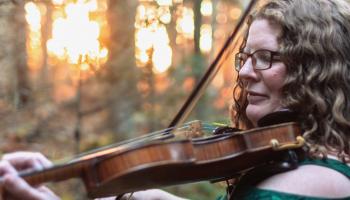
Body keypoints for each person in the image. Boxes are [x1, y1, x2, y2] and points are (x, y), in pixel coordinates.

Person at [2, 0, 350, 199]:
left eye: (266, 57)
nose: (244, 73)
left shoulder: (320, 180)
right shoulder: (290, 158)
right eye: (244, 57)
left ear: (313, 70)